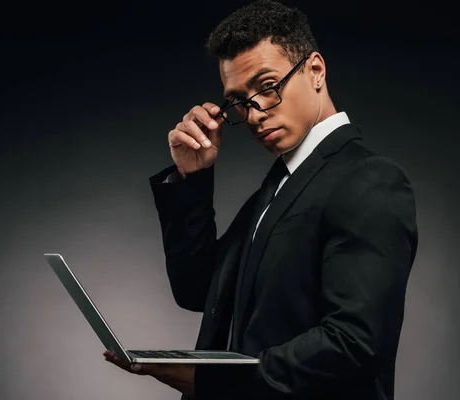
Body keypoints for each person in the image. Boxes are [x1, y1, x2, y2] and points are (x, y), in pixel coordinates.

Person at [103, 1, 418, 399]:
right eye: (238, 100)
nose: (253, 115)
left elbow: (355, 344)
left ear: (315, 71)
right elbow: (199, 290)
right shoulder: (277, 188)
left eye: (267, 87)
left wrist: (215, 381)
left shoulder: (370, 180)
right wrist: (192, 176)